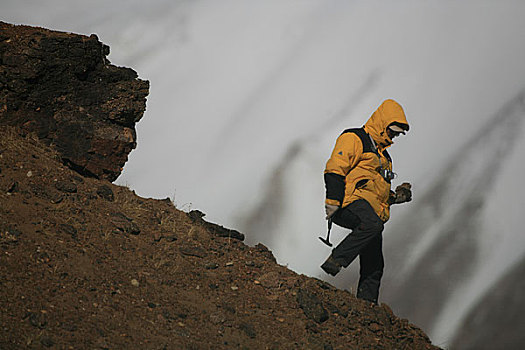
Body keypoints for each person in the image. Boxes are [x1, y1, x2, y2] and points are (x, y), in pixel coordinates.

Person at [321, 99, 412, 305]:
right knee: (373, 225)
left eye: (397, 133)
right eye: (393, 130)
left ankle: (367, 306)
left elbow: (376, 193)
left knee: (375, 263)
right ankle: (336, 260)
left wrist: (397, 197)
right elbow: (335, 168)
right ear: (383, 123)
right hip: (348, 203)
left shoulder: (384, 157)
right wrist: (333, 201)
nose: (394, 135)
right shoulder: (354, 138)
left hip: (368, 213)